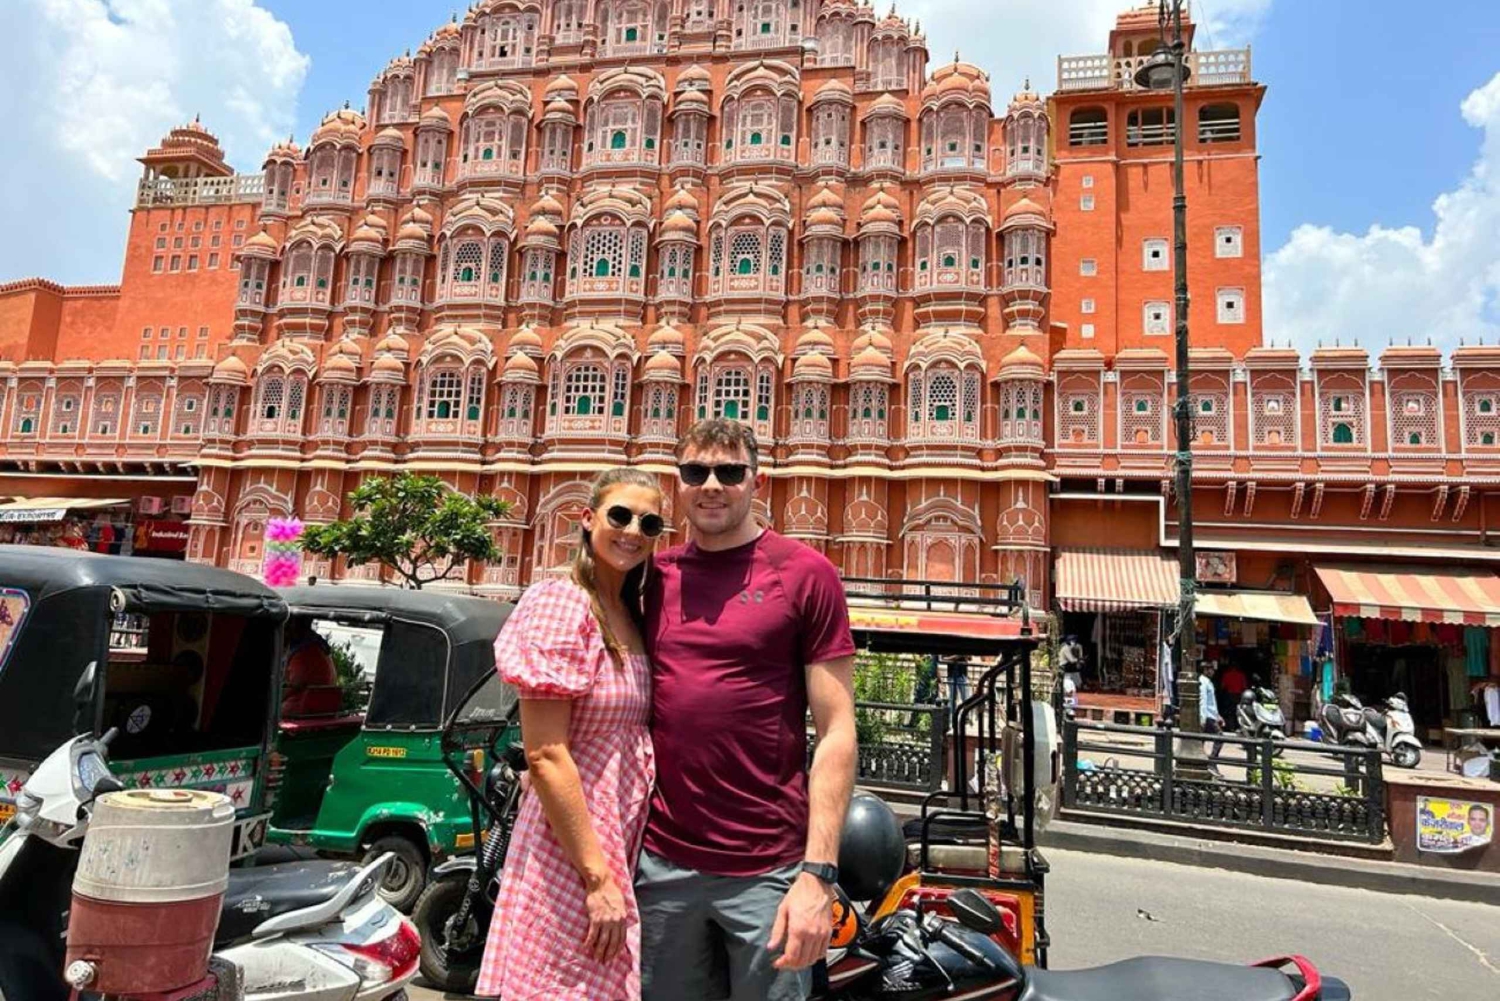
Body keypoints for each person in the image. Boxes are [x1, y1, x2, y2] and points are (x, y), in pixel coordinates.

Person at [639, 419, 857, 1001]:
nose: (711, 485)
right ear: (678, 483)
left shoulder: (805, 574)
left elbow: (837, 731)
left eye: (729, 472)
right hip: (662, 864)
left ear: (757, 482)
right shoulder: (653, 578)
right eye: (695, 472)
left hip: (767, 870)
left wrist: (818, 875)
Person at [477, 468, 664, 1001]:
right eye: (619, 516)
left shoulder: (631, 611)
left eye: (649, 523)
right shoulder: (563, 603)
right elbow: (544, 754)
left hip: (619, 833)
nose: (633, 531)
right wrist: (596, 877)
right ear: (587, 518)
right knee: (562, 982)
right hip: (573, 846)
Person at [280, 618, 338, 717]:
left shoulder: (303, 652)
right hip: (323, 708)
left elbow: (295, 684)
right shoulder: (318, 645)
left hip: (302, 707)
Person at [1199, 663, 1226, 762]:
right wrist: (1203, 718)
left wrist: (1218, 715)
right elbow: (1203, 700)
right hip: (1207, 716)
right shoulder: (1203, 682)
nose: (1213, 672)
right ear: (1205, 670)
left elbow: (1212, 702)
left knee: (1202, 739)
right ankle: (1212, 761)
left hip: (1211, 715)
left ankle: (1201, 760)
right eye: (1211, 669)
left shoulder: (1208, 682)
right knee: (1220, 737)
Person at [946, 655, 972, 724]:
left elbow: (970, 658)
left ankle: (966, 717)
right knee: (952, 698)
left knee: (965, 697)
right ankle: (952, 718)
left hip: (962, 674)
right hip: (952, 674)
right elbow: (944, 658)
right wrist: (956, 656)